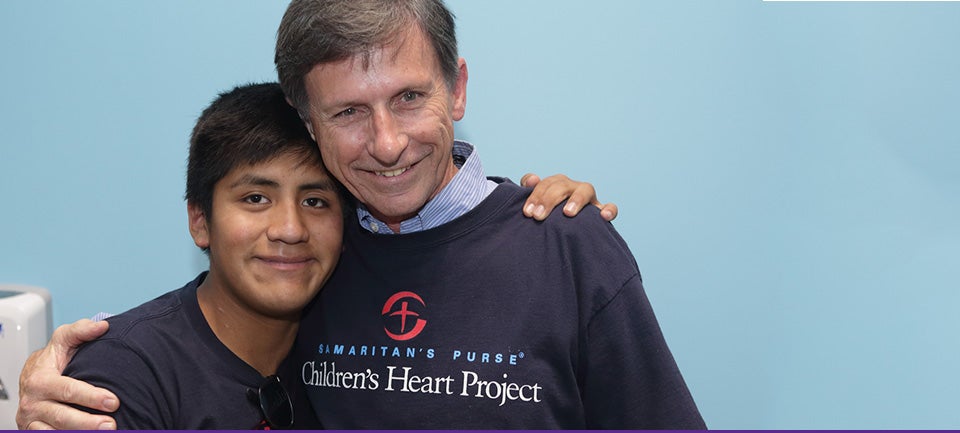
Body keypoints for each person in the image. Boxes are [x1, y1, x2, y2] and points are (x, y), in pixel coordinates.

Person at [18, 0, 702, 429]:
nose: (386, 143)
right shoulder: (314, 257)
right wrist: (51, 391)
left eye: (408, 97)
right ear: (308, 122)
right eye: (348, 111)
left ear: (457, 87)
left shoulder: (566, 245)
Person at [58, 82, 344, 429]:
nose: (290, 229)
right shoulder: (126, 373)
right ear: (200, 221)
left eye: (315, 201)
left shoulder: (346, 360)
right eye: (256, 198)